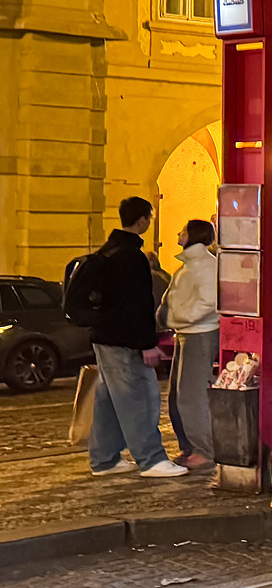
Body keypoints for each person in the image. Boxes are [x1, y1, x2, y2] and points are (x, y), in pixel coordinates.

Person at [81, 197, 188, 477]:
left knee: (109, 397)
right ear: (142, 221)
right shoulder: (133, 257)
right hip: (125, 339)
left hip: (104, 335)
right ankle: (151, 459)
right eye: (149, 218)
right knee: (138, 397)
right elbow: (138, 304)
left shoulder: (108, 251)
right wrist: (147, 344)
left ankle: (104, 458)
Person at [162, 219, 219, 471]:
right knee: (178, 393)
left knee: (191, 394)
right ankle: (191, 446)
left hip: (199, 332)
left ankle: (203, 450)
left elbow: (208, 303)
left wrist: (177, 316)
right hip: (187, 332)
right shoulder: (191, 264)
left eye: (183, 230)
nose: (179, 233)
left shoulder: (205, 266)